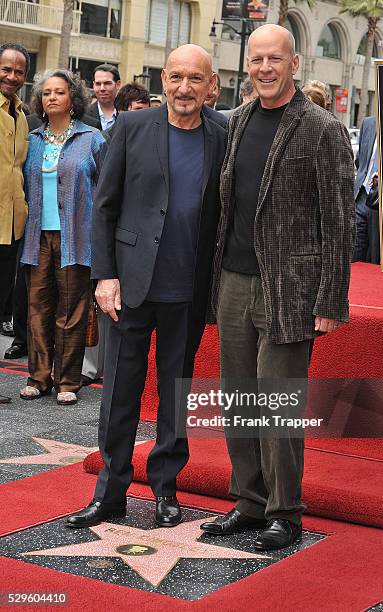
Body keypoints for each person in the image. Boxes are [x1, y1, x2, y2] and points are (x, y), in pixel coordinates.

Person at [201, 24, 354, 550]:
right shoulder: (234, 121)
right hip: (234, 281)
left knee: (279, 401)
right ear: (247, 65)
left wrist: (331, 298)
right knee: (238, 397)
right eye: (256, 59)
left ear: (295, 62)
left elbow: (339, 221)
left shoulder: (321, 128)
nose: (264, 68)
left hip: (291, 286)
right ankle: (247, 499)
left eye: (275, 59)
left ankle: (284, 511)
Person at [66, 44, 226, 530]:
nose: (184, 88)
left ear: (211, 84)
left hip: (188, 291)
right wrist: (104, 275)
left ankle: (165, 491)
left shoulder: (223, 132)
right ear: (163, 78)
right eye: (176, 77)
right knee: (119, 395)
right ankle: (110, 493)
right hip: (128, 288)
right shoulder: (132, 128)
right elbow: (105, 206)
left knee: (176, 397)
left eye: (195, 79)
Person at [19, 70, 105, 406]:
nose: (51, 97)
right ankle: (38, 378)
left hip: (77, 236)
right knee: (37, 308)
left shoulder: (92, 139)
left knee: (71, 310)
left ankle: (68, 380)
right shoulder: (33, 139)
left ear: (73, 99)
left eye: (59, 92)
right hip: (36, 237)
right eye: (46, 93)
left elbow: (106, 191)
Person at [81, 83, 152, 386]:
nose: (144, 117)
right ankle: (89, 369)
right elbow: (104, 203)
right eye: (137, 111)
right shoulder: (108, 140)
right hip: (111, 242)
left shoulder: (151, 139)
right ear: (122, 113)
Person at [0, 42, 30, 403]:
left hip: (11, 227)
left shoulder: (21, 116)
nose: (11, 76)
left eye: (18, 71)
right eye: (5, 68)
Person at [353, 115, 380, 263]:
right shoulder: (368, 123)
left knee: (375, 257)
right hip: (361, 197)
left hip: (382, 202)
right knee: (355, 254)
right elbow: (359, 161)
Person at [86, 64, 121, 130]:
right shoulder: (83, 116)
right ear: (93, 85)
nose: (102, 88)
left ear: (118, 84)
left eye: (107, 83)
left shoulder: (127, 113)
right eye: (98, 84)